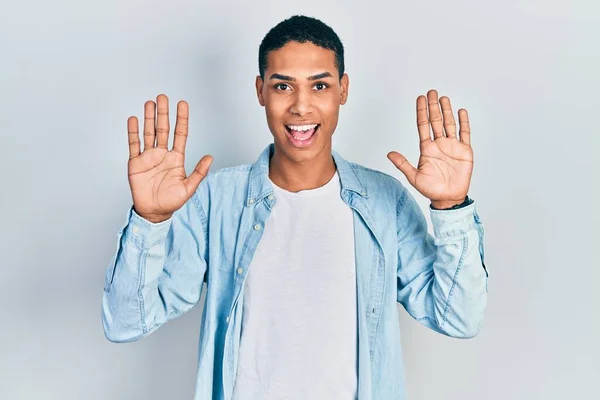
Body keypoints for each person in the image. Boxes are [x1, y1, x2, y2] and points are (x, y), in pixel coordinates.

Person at [101, 14, 489, 400]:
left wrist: (451, 206)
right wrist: (149, 221)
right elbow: (125, 323)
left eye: (319, 85)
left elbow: (458, 318)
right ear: (261, 91)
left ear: (343, 90)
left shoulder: (386, 202)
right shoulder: (215, 202)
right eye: (283, 85)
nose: (301, 106)